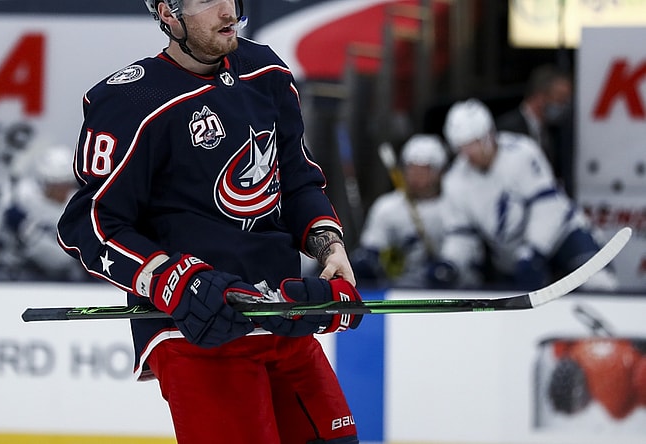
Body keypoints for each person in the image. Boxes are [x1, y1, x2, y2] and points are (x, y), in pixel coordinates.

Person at [56, 1, 364, 442]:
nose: (227, 12)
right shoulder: (130, 100)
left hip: (281, 318)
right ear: (167, 12)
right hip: (196, 333)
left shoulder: (266, 72)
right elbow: (89, 224)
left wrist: (329, 248)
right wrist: (172, 280)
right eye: (206, 0)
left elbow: (297, 181)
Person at [434, 98, 617, 291]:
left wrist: (535, 249)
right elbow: (462, 234)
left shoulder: (522, 152)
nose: (468, 153)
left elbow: (546, 207)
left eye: (473, 144)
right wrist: (451, 262)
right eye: (461, 147)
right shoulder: (455, 180)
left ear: (488, 135)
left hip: (562, 237)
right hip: (513, 258)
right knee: (516, 310)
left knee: (598, 283)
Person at [0, 145, 86, 281]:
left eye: (66, 183)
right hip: (14, 275)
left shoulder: (80, 207)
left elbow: (63, 261)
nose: (61, 188)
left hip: (57, 281)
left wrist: (25, 228)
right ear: (43, 181)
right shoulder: (21, 196)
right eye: (54, 183)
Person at [352, 134, 449, 288]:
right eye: (412, 169)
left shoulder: (454, 207)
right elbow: (373, 244)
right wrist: (369, 260)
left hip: (448, 293)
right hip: (397, 290)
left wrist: (449, 266)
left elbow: (463, 246)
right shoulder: (386, 207)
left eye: (423, 170)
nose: (416, 176)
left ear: (439, 173)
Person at [495, 64, 573, 189]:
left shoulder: (555, 133)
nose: (564, 105)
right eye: (560, 98)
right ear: (540, 97)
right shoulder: (507, 130)